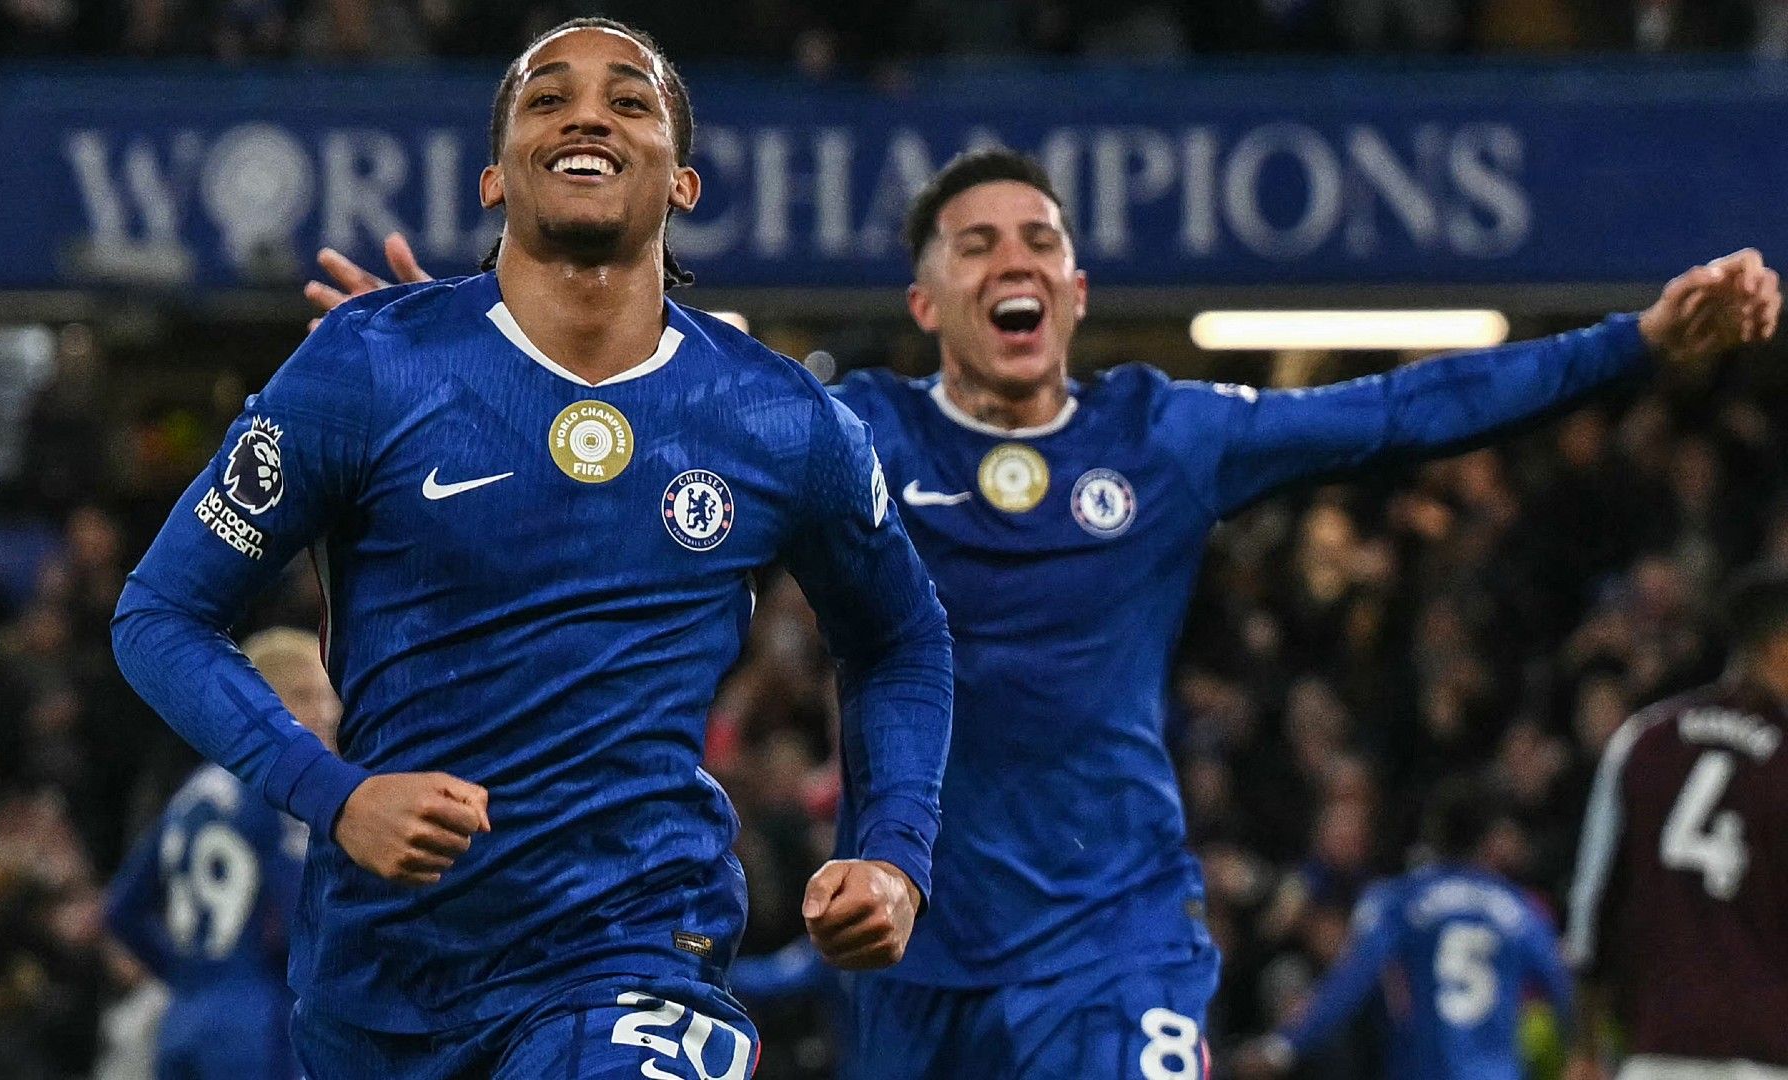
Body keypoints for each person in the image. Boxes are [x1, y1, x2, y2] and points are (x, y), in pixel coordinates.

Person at [310, 149, 1779, 1077]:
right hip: (905, 937)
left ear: (1075, 289)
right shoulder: (851, 435)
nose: (1012, 258)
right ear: (929, 300)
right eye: (975, 244)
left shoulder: (1167, 438)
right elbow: (629, 397)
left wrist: (1636, 341)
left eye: (1038, 241)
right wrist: (443, 356)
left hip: (1115, 935)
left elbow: (1410, 410)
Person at [113, 18, 953, 1080]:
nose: (588, 113)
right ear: (492, 178)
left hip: (637, 951)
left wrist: (893, 854)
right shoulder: (368, 369)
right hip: (383, 983)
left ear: (684, 183)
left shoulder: (781, 418)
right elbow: (160, 616)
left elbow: (901, 641)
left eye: (630, 99)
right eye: (547, 98)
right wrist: (336, 795)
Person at [1564, 566, 1788, 1080]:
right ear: (1779, 647)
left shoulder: (1642, 740)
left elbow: (1591, 913)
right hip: (1770, 1055)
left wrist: (1584, 1048)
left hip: (1660, 1052)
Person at [104, 628, 337, 1080]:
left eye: (328, 698)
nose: (325, 714)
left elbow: (121, 910)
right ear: (264, 702)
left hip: (184, 1020)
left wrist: (190, 976)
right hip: (256, 1024)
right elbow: (301, 922)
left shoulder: (192, 794)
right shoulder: (273, 793)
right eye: (306, 696)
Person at [1234, 780, 1573, 1079]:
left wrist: (1285, 1045)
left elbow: (1351, 980)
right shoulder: (1520, 910)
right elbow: (1561, 988)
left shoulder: (1397, 901)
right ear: (1488, 841)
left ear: (1432, 835)